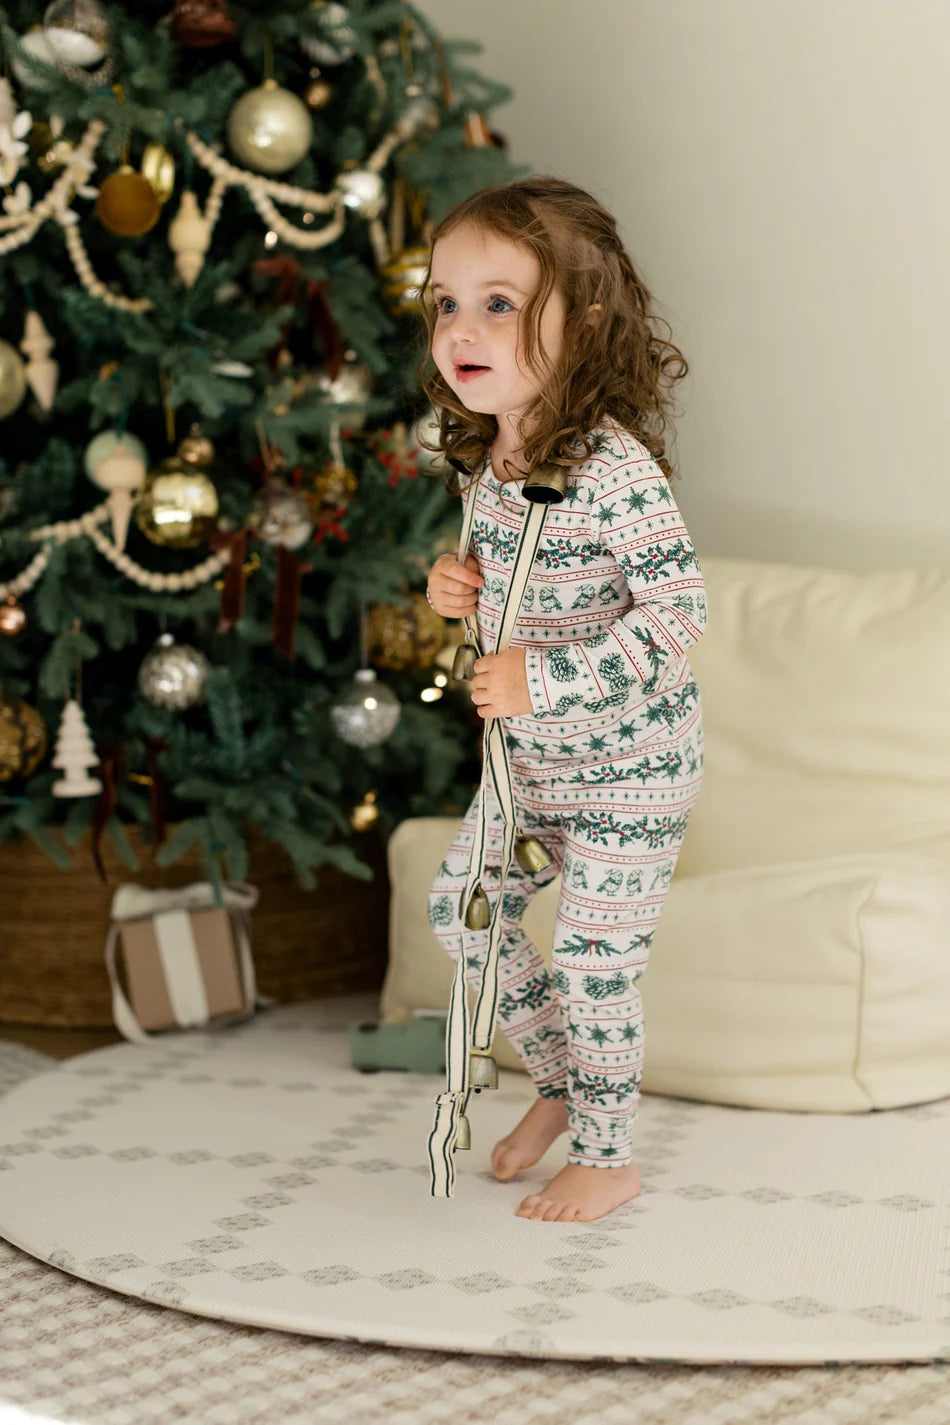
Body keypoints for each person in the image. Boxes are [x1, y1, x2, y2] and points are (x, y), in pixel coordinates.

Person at [421, 176, 707, 1223]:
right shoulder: (487, 459)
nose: (460, 328)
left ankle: (607, 1152)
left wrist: (541, 679)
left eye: (498, 303)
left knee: (594, 964)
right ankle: (557, 1082)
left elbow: (676, 615)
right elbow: (518, 585)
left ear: (581, 325)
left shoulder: (611, 469)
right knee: (461, 911)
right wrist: (454, 586)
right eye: (445, 303)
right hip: (533, 767)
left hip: (629, 771)